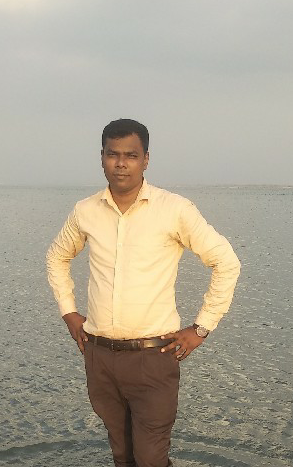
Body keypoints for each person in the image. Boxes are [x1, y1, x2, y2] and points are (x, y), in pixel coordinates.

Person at [46, 119, 241, 467]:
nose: (121, 163)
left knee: (150, 458)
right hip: (99, 356)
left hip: (154, 358)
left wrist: (201, 328)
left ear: (146, 160)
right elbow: (57, 257)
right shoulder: (85, 211)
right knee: (122, 455)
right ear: (102, 157)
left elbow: (226, 262)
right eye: (113, 154)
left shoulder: (174, 209)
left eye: (131, 155)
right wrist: (69, 312)